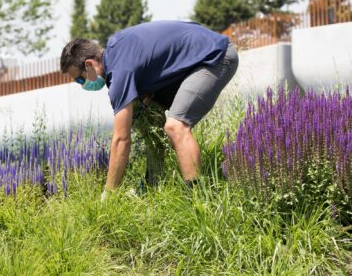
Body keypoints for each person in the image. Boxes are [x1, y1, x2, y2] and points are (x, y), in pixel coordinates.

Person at [60, 20, 239, 197]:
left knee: (175, 127)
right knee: (144, 110)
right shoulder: (116, 49)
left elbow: (121, 140)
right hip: (198, 54)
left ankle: (200, 199)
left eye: (80, 79)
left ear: (89, 65)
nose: (81, 85)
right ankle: (153, 182)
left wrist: (109, 193)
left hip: (215, 56)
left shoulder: (119, 72)